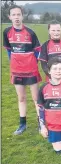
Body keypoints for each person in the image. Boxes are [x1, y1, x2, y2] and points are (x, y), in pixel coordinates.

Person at [3, 5, 42, 135]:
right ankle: (22, 124)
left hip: (31, 70)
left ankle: (41, 123)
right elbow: (9, 50)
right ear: (9, 17)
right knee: (21, 98)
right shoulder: (6, 32)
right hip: (16, 70)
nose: (16, 17)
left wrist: (31, 63)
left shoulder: (30, 32)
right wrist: (15, 63)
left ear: (22, 16)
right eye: (13, 15)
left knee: (36, 98)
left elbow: (37, 52)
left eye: (18, 14)